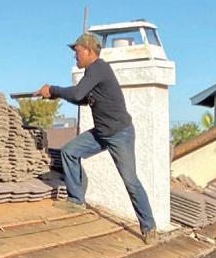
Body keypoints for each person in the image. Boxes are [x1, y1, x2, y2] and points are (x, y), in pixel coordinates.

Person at [35, 33, 158, 243]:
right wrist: (53, 95)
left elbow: (76, 93)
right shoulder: (92, 72)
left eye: (77, 52)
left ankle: (149, 227)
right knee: (69, 151)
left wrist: (53, 89)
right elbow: (83, 99)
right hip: (101, 132)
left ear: (89, 51)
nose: (75, 56)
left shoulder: (99, 68)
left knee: (130, 181)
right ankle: (76, 200)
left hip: (119, 134)